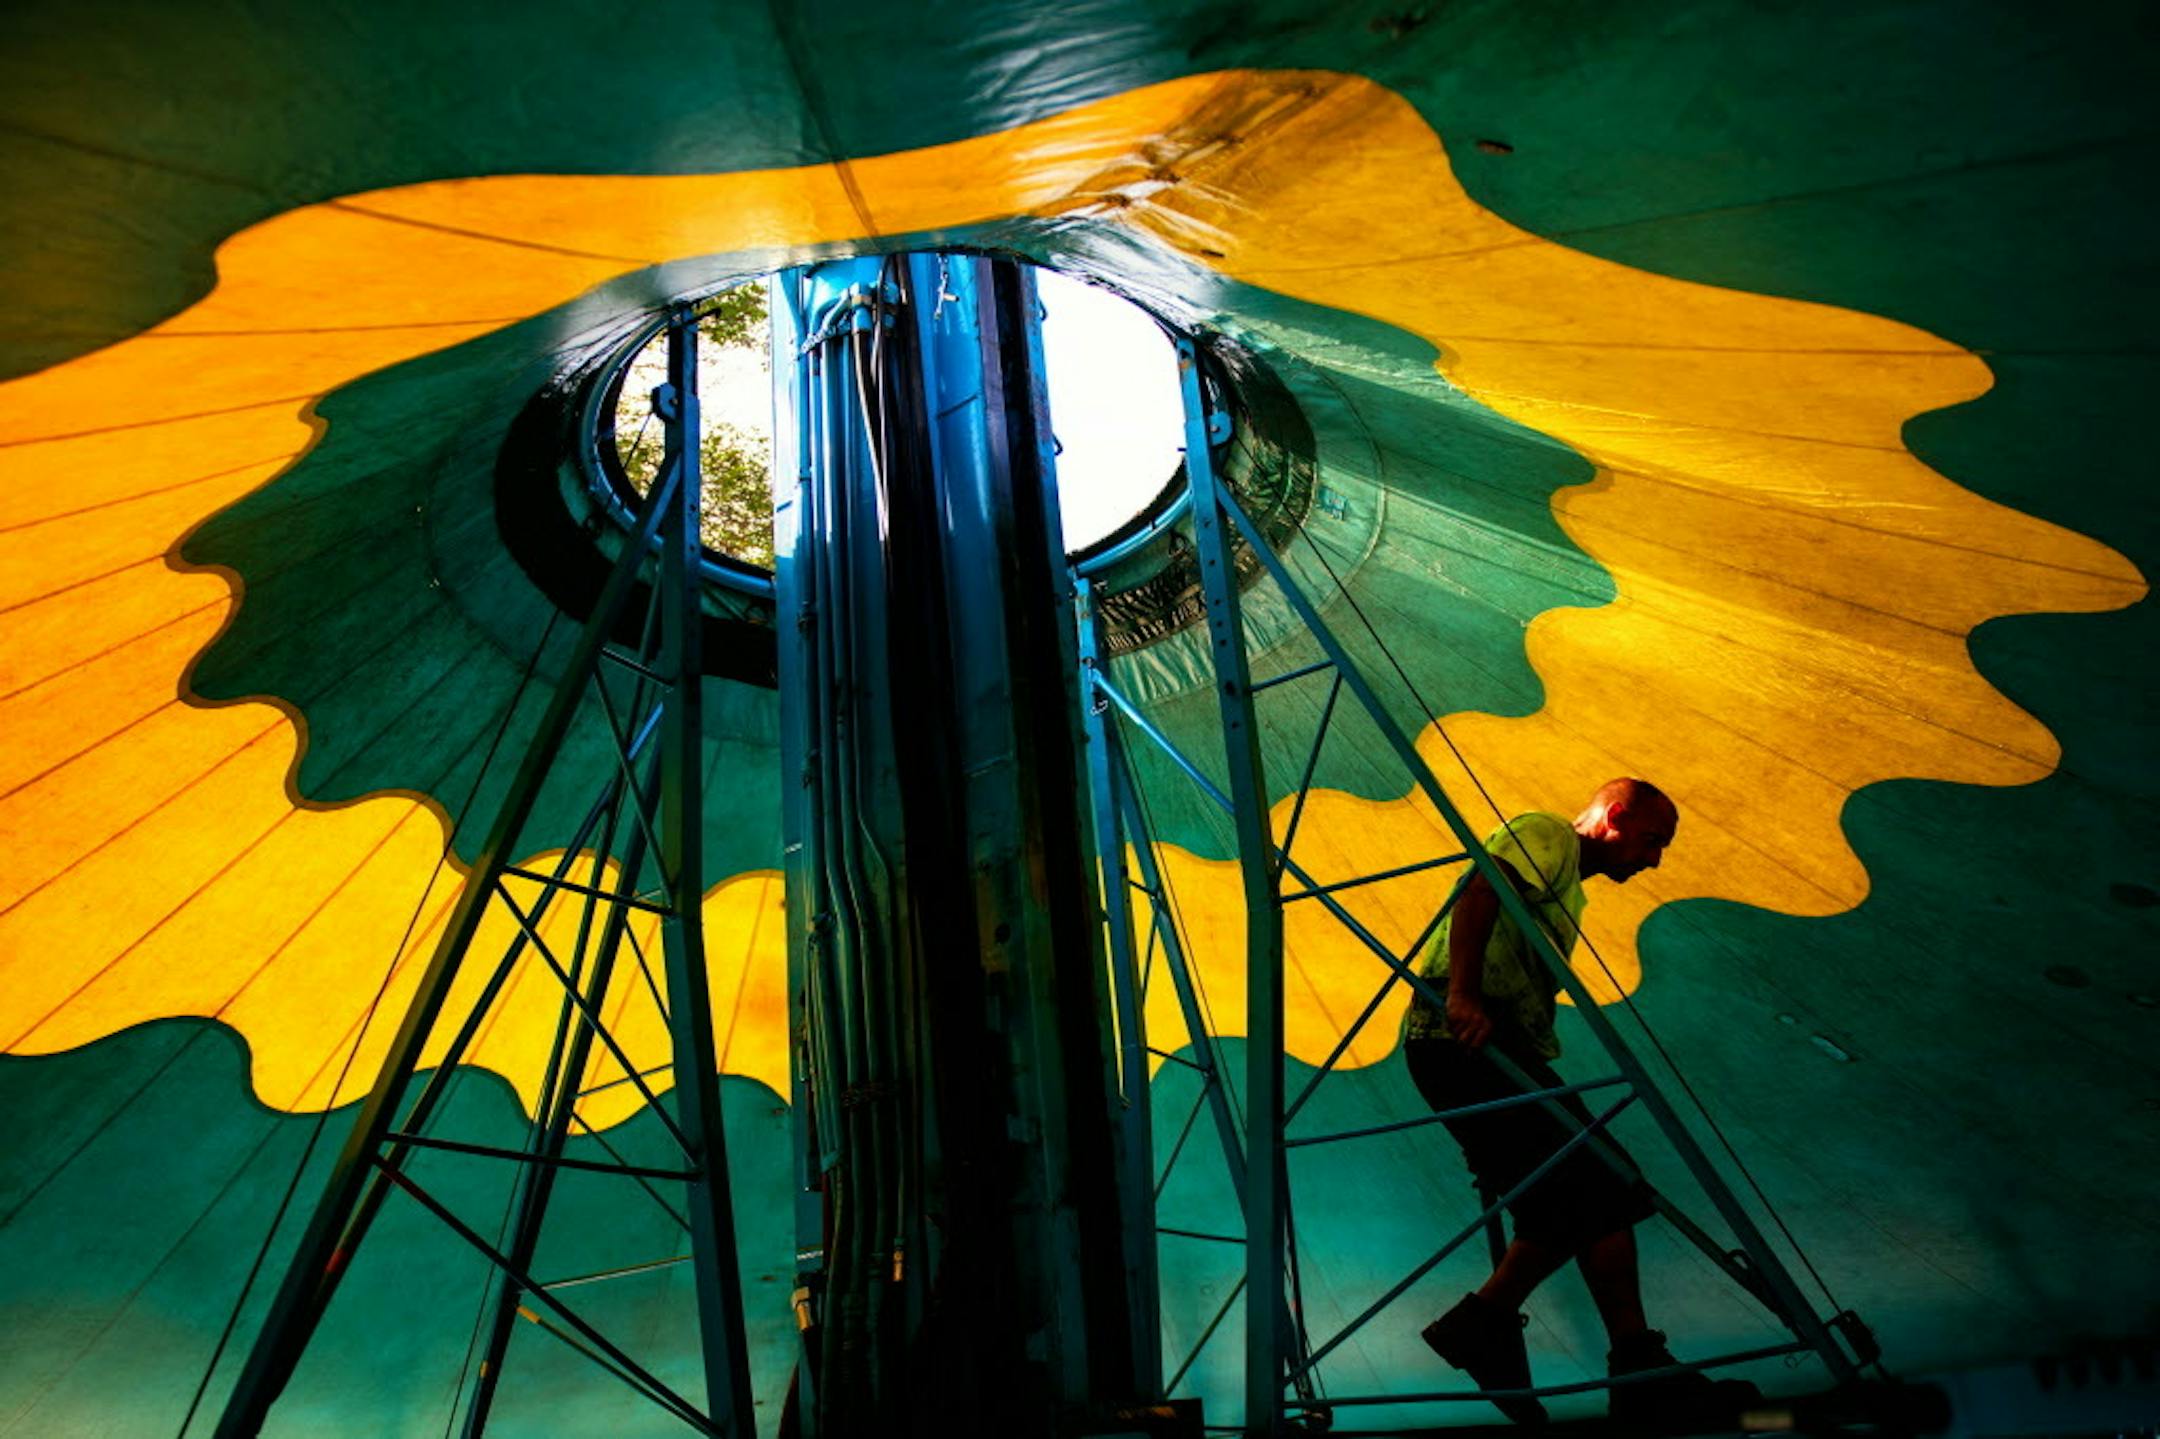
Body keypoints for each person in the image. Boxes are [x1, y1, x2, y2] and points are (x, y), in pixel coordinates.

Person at [1403, 778, 1758, 1426]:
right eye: (1651, 841)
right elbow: (1481, 891)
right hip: (1463, 1040)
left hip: (1494, 1045)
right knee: (1606, 1179)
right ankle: (1501, 1328)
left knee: (1592, 1195)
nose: (1654, 860)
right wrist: (1462, 995)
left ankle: (1553, 1343)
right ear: (1614, 816)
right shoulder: (1547, 833)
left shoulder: (1569, 888)